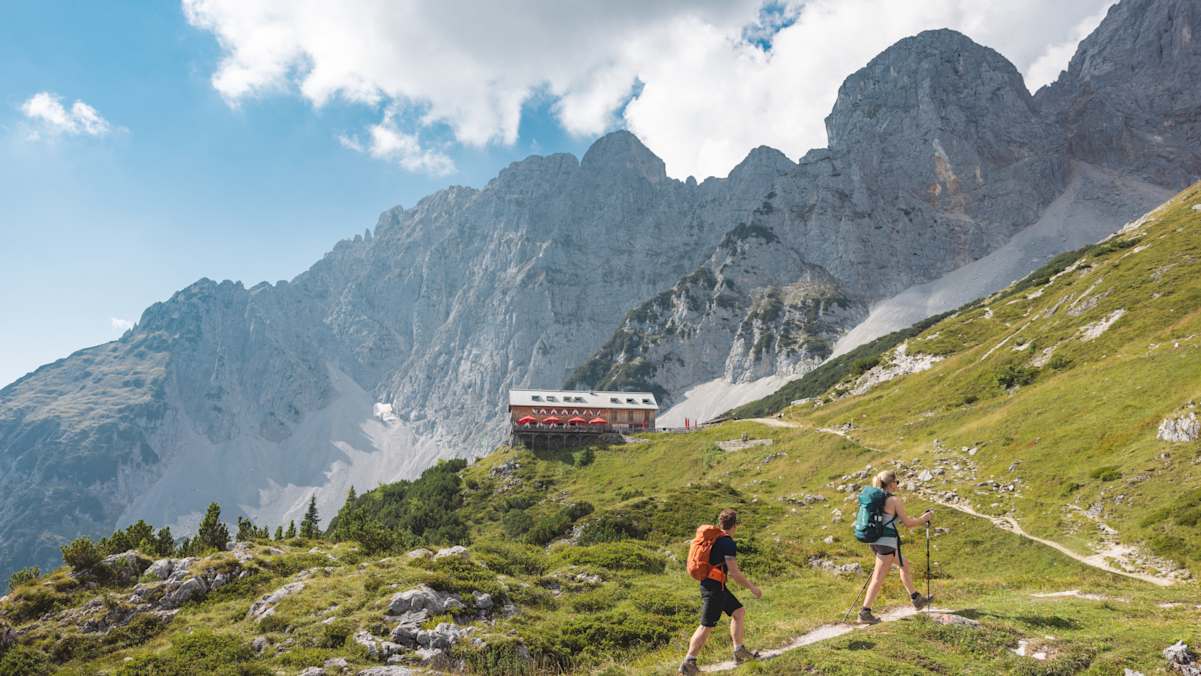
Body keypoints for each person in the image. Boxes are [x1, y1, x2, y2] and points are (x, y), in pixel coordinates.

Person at [679, 508, 762, 674]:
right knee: (706, 625)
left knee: (738, 611)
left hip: (716, 586)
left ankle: (739, 651)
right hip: (714, 588)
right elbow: (734, 573)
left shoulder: (715, 539)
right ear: (735, 525)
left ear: (721, 523)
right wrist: (753, 588)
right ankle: (689, 662)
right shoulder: (727, 542)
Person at [859, 470, 933, 624]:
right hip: (887, 543)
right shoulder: (893, 500)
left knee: (904, 564)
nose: (898, 484)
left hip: (875, 540)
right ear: (891, 483)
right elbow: (908, 523)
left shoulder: (876, 498)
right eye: (897, 482)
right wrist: (924, 518)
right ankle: (865, 612)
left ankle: (916, 599)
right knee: (878, 578)